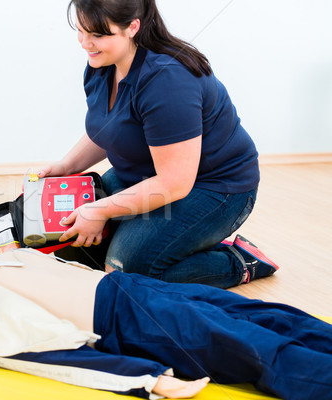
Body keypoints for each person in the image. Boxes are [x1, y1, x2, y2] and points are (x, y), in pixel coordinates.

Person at [0, 241, 332, 399]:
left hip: (130, 290)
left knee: (267, 314)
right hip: (127, 319)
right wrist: (145, 379)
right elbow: (39, 356)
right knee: (252, 345)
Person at [37, 0, 277, 288]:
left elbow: (175, 182)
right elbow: (109, 126)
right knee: (75, 246)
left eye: (98, 35)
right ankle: (181, 240)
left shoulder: (167, 81)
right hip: (150, 173)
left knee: (126, 272)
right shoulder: (102, 64)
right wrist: (66, 166)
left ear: (132, 27)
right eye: (81, 31)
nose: (86, 43)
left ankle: (239, 262)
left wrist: (99, 210)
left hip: (214, 186)